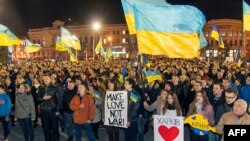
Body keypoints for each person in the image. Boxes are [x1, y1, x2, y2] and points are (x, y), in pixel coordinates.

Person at [38, 74, 61, 141]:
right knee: (46, 129)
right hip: (44, 112)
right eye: (44, 79)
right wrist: (43, 98)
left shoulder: (55, 88)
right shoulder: (41, 88)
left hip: (53, 111)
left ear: (50, 79)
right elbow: (37, 99)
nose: (45, 80)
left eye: (47, 79)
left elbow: (58, 100)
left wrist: (58, 110)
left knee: (55, 129)